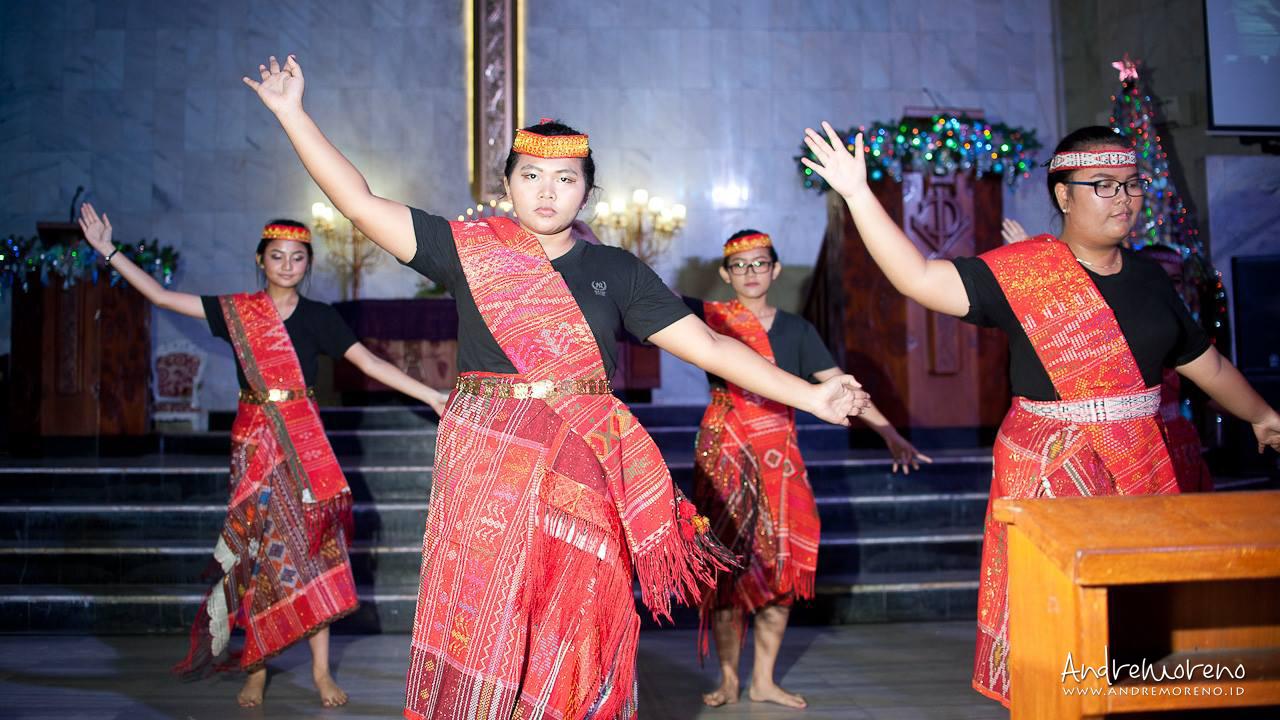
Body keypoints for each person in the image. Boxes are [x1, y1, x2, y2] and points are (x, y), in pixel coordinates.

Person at [243, 54, 870, 719]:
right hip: (487, 466)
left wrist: (811, 396)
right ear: (507, 185)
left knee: (580, 613)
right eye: (531, 176)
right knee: (485, 614)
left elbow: (712, 346)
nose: (547, 192)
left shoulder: (616, 270)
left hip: (579, 461)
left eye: (566, 179)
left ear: (586, 192)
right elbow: (359, 202)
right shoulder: (468, 250)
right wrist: (292, 114)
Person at [800, 122, 1280, 706]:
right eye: (1103, 185)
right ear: (1064, 196)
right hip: (1052, 467)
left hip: (1141, 462)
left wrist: (1262, 415)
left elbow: (1207, 365)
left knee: (1140, 620)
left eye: (1132, 184)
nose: (1124, 198)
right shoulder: (1022, 273)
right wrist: (857, 194)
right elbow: (917, 278)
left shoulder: (1150, 277)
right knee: (1064, 618)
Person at [77, 203, 448, 709]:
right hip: (254, 446)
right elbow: (162, 296)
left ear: (308, 263)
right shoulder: (236, 312)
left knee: (313, 553)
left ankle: (320, 672)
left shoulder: (320, 317)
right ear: (260, 260)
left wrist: (428, 394)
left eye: (298, 257)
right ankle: (255, 668)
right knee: (254, 556)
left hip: (303, 447)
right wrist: (109, 251)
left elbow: (367, 362)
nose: (288, 265)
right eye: (278, 256)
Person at [686, 229, 930, 709]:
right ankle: (729, 678)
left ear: (775, 270)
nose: (751, 272)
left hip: (778, 453)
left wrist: (889, 433)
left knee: (782, 565)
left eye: (760, 263)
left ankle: (763, 680)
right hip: (725, 452)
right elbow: (648, 301)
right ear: (725, 274)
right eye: (740, 265)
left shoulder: (797, 330)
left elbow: (841, 385)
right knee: (726, 566)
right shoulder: (712, 320)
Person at [1004, 219, 1214, 493]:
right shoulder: (1107, 322)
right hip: (1121, 448)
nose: (1165, 288)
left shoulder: (1176, 326)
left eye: (1175, 281)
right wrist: (1036, 265)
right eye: (1158, 280)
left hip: (1173, 442)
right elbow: (1068, 319)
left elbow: (1211, 377)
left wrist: (1255, 415)